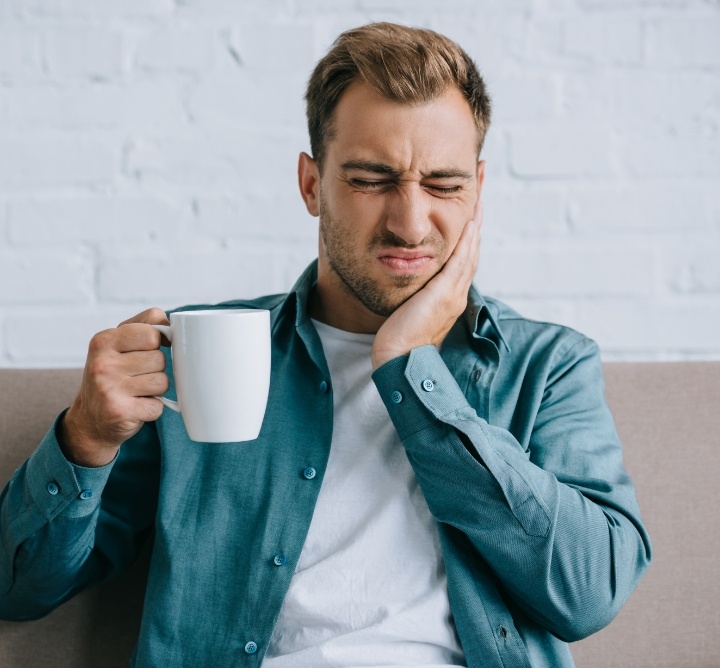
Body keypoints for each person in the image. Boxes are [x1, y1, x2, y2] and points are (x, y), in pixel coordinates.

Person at [0, 22, 650, 668]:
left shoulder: (549, 365)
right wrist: (83, 439)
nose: (410, 222)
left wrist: (412, 371)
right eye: (371, 179)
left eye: (444, 185)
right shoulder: (194, 356)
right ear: (312, 184)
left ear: (478, 190)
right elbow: (18, 589)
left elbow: (588, 596)